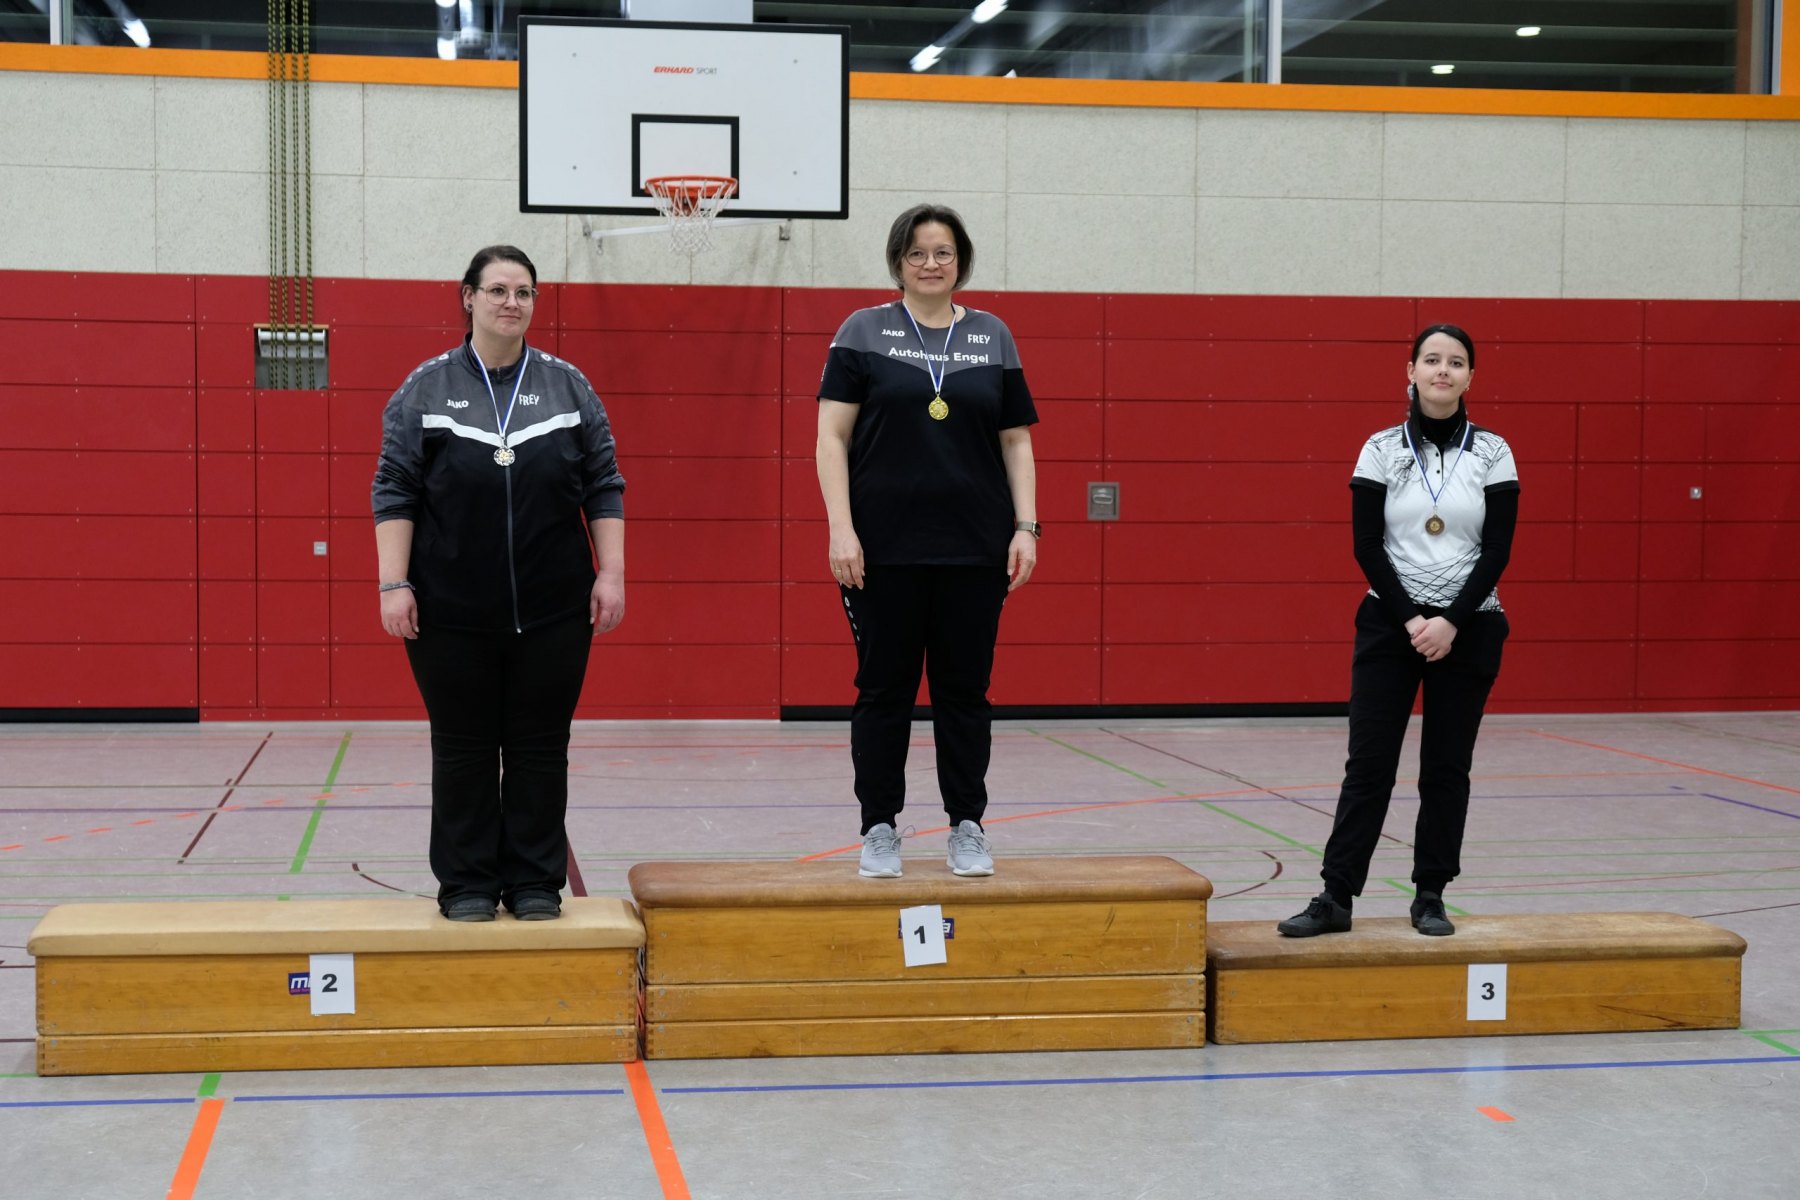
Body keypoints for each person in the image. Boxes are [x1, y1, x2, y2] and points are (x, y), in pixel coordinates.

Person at [370, 245, 626, 923]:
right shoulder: (424, 389)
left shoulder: (569, 387)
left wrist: (611, 574)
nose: (512, 303)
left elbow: (603, 484)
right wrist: (394, 583)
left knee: (541, 746)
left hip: (554, 608)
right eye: (498, 290)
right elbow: (394, 488)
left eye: (524, 292)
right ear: (469, 297)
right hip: (450, 612)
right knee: (464, 749)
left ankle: (536, 881)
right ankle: (467, 884)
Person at [816, 204, 1040, 880]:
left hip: (975, 548)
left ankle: (967, 825)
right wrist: (841, 527)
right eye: (917, 253)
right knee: (882, 692)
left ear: (960, 262)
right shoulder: (862, 331)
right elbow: (831, 437)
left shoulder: (993, 335)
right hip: (881, 551)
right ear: (898, 262)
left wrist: (1026, 526)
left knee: (964, 694)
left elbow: (1015, 440)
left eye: (943, 252)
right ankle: (879, 827)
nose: (931, 263)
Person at [1279, 323, 1517, 938]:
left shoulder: (1494, 452)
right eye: (1431, 360)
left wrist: (1450, 621)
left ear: (1470, 377)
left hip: (1469, 627)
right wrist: (1414, 619)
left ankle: (1431, 894)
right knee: (1370, 764)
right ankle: (1336, 896)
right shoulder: (1381, 448)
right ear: (1410, 372)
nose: (1443, 371)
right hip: (1391, 625)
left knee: (1446, 768)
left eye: (1456, 362)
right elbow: (1366, 545)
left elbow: (1497, 549)